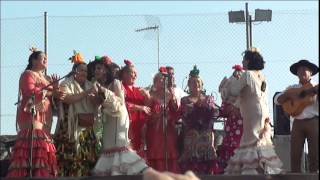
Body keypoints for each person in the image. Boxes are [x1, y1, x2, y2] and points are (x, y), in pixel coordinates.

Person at [221, 48, 282, 175]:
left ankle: (252, 171)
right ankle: (261, 169)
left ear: (248, 61)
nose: (242, 62)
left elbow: (233, 91)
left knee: (252, 140)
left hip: (252, 113)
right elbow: (251, 96)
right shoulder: (262, 77)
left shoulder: (247, 74)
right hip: (262, 112)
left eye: (244, 60)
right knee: (259, 139)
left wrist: (227, 83)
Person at [6, 48, 63, 177]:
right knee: (34, 147)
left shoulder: (46, 78)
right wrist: (51, 92)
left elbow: (53, 97)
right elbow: (30, 92)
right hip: (32, 115)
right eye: (43, 58)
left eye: (47, 59)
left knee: (44, 150)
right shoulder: (28, 74)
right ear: (34, 60)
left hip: (46, 118)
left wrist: (56, 89)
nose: (46, 60)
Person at [92, 59, 149, 175]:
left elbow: (119, 104)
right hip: (108, 118)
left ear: (105, 70)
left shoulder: (116, 83)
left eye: (99, 68)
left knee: (119, 148)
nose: (96, 71)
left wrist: (104, 94)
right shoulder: (100, 84)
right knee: (109, 148)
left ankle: (121, 174)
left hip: (118, 118)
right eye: (95, 69)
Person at [54, 51, 99, 176]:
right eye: (81, 70)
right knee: (69, 161)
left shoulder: (90, 85)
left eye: (85, 71)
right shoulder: (66, 83)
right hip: (70, 129)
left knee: (87, 161)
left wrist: (97, 97)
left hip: (87, 129)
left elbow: (97, 103)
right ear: (74, 72)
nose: (84, 73)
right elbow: (67, 99)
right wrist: (86, 93)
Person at [274, 59, 318, 173]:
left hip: (314, 122)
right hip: (297, 123)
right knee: (295, 155)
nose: (302, 71)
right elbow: (277, 100)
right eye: (299, 69)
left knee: (315, 155)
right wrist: (290, 95)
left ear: (311, 73)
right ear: (296, 73)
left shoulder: (316, 87)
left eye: (305, 69)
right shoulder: (292, 88)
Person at [179, 65, 220, 175]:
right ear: (188, 85)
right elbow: (184, 114)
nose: (195, 85)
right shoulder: (184, 100)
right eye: (192, 82)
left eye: (198, 83)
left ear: (202, 85)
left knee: (207, 166)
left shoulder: (208, 99)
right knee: (190, 166)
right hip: (191, 137)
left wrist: (206, 107)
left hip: (205, 137)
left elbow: (214, 113)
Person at [145, 67, 180, 173]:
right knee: (156, 151)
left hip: (168, 128)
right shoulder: (150, 95)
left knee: (169, 151)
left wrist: (173, 97)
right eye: (160, 79)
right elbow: (145, 113)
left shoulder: (170, 94)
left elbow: (176, 110)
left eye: (164, 79)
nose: (162, 81)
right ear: (155, 82)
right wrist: (155, 115)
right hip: (155, 129)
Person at [120, 59, 151, 158]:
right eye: (132, 73)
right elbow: (121, 104)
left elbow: (148, 108)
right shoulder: (120, 88)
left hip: (139, 127)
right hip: (127, 126)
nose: (135, 75)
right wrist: (139, 107)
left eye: (135, 73)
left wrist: (147, 97)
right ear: (124, 74)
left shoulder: (139, 90)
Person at [216, 65, 244, 172]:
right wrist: (230, 107)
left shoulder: (247, 100)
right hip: (232, 129)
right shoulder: (227, 102)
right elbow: (223, 111)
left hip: (244, 129)